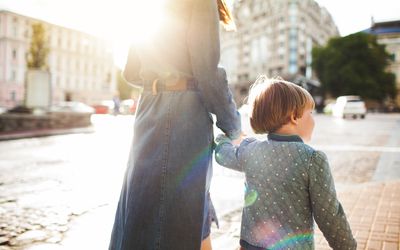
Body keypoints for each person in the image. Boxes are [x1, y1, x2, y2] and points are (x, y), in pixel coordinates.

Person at [109, 0, 241, 249]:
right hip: (182, 112)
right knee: (176, 219)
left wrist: (158, 81)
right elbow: (207, 70)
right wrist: (234, 127)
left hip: (149, 108)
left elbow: (131, 71)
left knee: (143, 211)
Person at [215, 76, 357, 250]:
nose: (313, 120)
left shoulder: (250, 150)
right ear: (294, 117)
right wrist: (348, 246)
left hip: (251, 244)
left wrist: (223, 138)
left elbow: (223, 155)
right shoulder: (312, 159)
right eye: (310, 113)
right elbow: (329, 214)